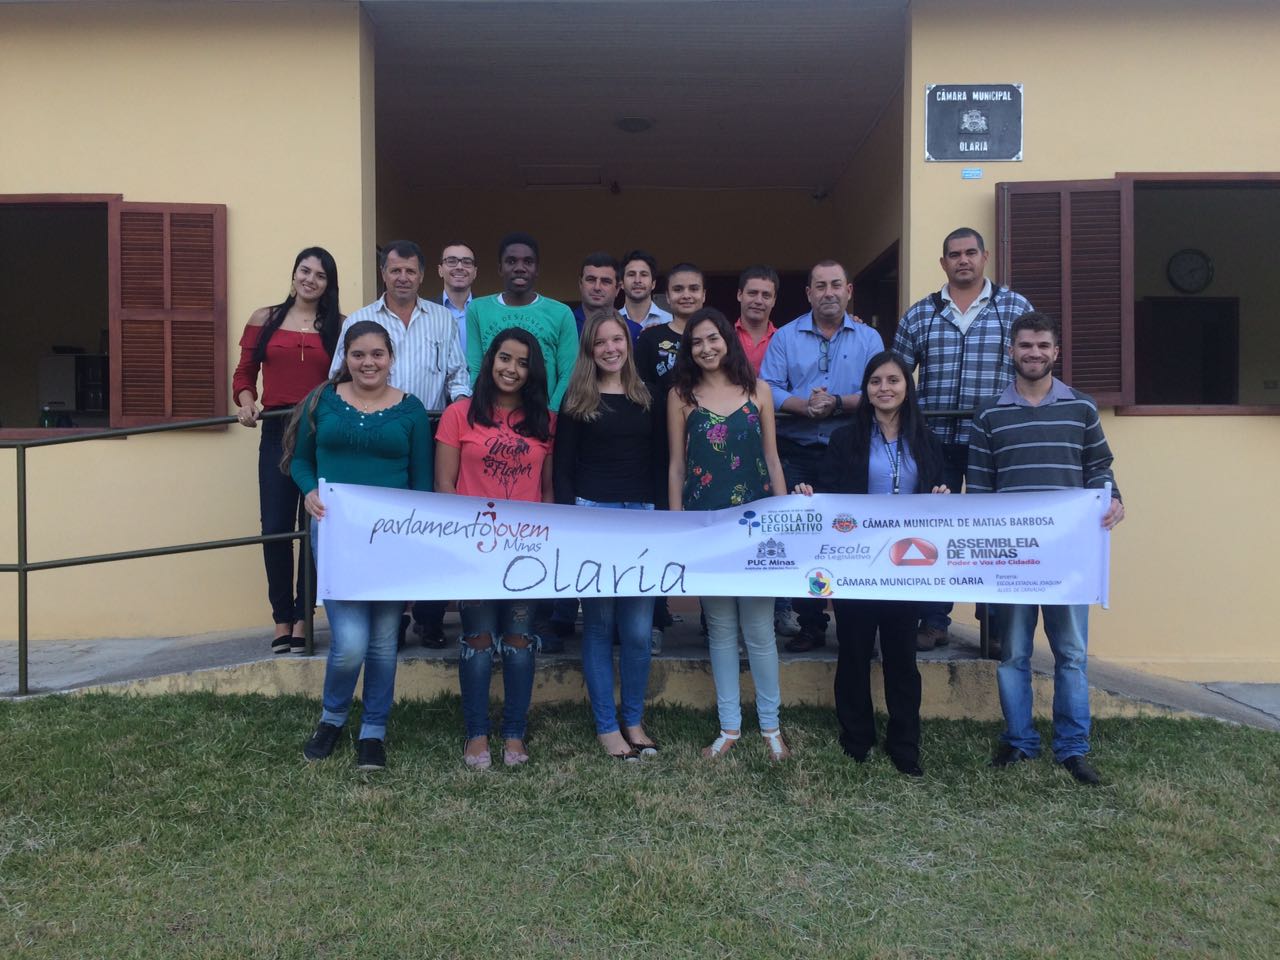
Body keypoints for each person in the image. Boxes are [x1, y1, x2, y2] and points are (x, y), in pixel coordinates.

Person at [968, 312, 1125, 786]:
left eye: (1042, 346)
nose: (1033, 353)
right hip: (1013, 559)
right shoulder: (989, 414)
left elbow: (1100, 467)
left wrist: (1114, 498)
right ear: (1010, 352)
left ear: (1056, 352)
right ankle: (1019, 741)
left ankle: (1073, 749)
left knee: (1072, 654)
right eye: (1025, 346)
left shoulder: (1081, 409)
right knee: (1014, 653)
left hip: (1070, 559)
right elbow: (979, 489)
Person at [793, 351, 949, 776]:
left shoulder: (927, 440)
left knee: (901, 657)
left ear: (906, 387)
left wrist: (942, 496)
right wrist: (810, 493)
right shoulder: (846, 439)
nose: (885, 388)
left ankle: (905, 744)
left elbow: (941, 489)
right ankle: (856, 738)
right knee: (855, 651)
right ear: (865, 389)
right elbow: (826, 492)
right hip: (857, 563)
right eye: (876, 381)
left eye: (893, 381)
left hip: (906, 566)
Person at [287, 320, 434, 772]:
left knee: (384, 642)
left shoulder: (411, 410)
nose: (368, 363)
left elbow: (423, 484)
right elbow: (300, 460)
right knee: (350, 642)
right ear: (345, 358)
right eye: (358, 355)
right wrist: (309, 490)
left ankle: (373, 730)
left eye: (377, 354)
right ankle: (332, 717)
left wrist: (416, 545)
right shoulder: (323, 401)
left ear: (391, 357)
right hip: (336, 535)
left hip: (391, 539)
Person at [892, 227, 1034, 651]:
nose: (963, 260)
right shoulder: (921, 314)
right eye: (954, 254)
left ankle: (993, 626)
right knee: (935, 530)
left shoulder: (1015, 308)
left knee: (992, 533)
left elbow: (1031, 367)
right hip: (935, 444)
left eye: (971, 252)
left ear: (985, 257)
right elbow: (896, 377)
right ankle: (934, 620)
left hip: (996, 445)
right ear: (943, 263)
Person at [332, 240, 470, 648]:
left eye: (410, 271)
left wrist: (458, 414)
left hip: (430, 430)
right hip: (377, 433)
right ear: (383, 273)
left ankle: (428, 619)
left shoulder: (443, 319)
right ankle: (386, 622)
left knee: (430, 525)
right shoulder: (359, 320)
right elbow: (338, 377)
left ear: (424, 275)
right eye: (395, 270)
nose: (403, 278)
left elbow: (458, 377)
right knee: (382, 528)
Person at [667, 308, 790, 761]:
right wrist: (679, 523)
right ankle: (729, 727)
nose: (706, 348)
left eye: (713, 339)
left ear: (727, 340)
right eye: (697, 341)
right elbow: (677, 465)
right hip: (705, 525)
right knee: (719, 629)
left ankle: (771, 726)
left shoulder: (759, 391)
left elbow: (773, 460)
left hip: (756, 525)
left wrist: (782, 519)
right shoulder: (681, 395)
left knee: (759, 629)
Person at [436, 327, 556, 769]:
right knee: (478, 639)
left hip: (525, 551)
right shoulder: (459, 415)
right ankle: (476, 734)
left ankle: (514, 735)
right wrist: (462, 543)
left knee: (521, 641)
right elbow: (444, 486)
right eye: (505, 358)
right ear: (489, 361)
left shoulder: (544, 421)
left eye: (523, 363)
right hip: (474, 549)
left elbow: (547, 494)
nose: (512, 369)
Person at [760, 260, 884, 652]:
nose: (828, 292)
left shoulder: (869, 339)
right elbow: (769, 388)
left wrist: (837, 403)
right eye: (820, 286)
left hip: (850, 451)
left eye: (836, 285)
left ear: (849, 290)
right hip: (796, 448)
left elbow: (879, 390)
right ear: (809, 293)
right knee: (803, 538)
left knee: (850, 535)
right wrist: (802, 405)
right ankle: (810, 623)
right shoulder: (785, 338)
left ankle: (853, 621)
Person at [555, 312, 661, 760]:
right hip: (593, 516)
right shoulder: (578, 400)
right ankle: (606, 725)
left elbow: (660, 462)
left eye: (617, 339)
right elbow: (562, 469)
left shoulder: (647, 397)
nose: (611, 348)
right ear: (590, 349)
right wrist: (569, 524)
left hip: (641, 519)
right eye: (601, 342)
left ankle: (633, 720)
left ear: (628, 344)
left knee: (637, 630)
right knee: (598, 626)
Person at [233, 246, 342, 655]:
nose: (310, 280)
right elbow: (244, 374)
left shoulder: (339, 326)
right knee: (276, 527)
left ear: (329, 284)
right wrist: (246, 402)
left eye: (320, 275)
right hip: (277, 428)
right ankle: (281, 619)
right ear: (294, 274)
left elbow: (345, 380)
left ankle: (302, 620)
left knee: (314, 528)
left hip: (321, 430)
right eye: (304, 271)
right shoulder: (264, 319)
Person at [732, 264, 798, 639]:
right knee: (731, 527)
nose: (758, 300)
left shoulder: (787, 338)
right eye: (752, 292)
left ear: (774, 300)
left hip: (776, 441)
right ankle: (719, 612)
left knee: (773, 528)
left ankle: (782, 607)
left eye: (766, 294)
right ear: (739, 295)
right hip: (730, 443)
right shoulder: (722, 336)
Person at [465, 232, 578, 410]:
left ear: (537, 269)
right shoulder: (477, 309)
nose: (520, 268)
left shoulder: (561, 313)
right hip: (490, 417)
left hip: (543, 416)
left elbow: (569, 374)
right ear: (500, 268)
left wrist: (552, 415)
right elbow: (475, 368)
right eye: (511, 261)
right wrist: (483, 410)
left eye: (528, 262)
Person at [572, 252, 634, 337]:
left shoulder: (633, 331)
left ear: (618, 288)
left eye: (605, 281)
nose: (597, 287)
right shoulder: (564, 325)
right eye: (591, 280)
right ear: (580, 283)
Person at [437, 241, 478, 354]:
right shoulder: (425, 311)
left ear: (475, 272)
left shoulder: (485, 310)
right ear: (440, 270)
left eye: (467, 262)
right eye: (451, 261)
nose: (460, 267)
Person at [619, 249, 672, 333]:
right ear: (621, 283)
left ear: (653, 284)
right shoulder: (612, 322)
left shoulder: (669, 321)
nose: (637, 280)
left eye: (644, 275)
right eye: (631, 274)